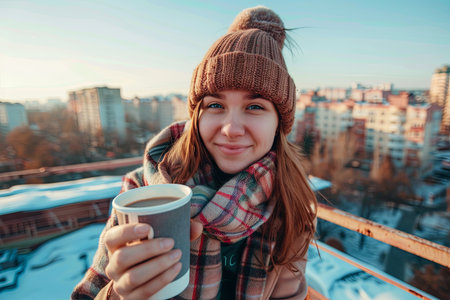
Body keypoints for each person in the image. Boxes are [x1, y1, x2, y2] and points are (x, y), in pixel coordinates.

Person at [72, 6, 317, 300]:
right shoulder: (143, 191)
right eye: (215, 105)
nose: (231, 129)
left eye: (255, 107)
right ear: (196, 116)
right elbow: (90, 293)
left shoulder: (292, 206)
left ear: (279, 124)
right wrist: (118, 295)